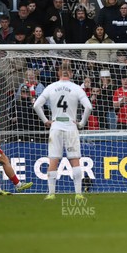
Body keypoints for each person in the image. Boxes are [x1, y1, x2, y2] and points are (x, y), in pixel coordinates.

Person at [33, 65, 93, 200]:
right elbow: (89, 107)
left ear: (58, 73)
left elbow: (36, 105)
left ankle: (51, 194)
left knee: (53, 159)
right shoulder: (77, 88)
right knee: (75, 160)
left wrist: (45, 120)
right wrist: (82, 123)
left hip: (56, 127)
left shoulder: (51, 87)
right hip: (71, 127)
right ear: (71, 73)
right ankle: (78, 193)